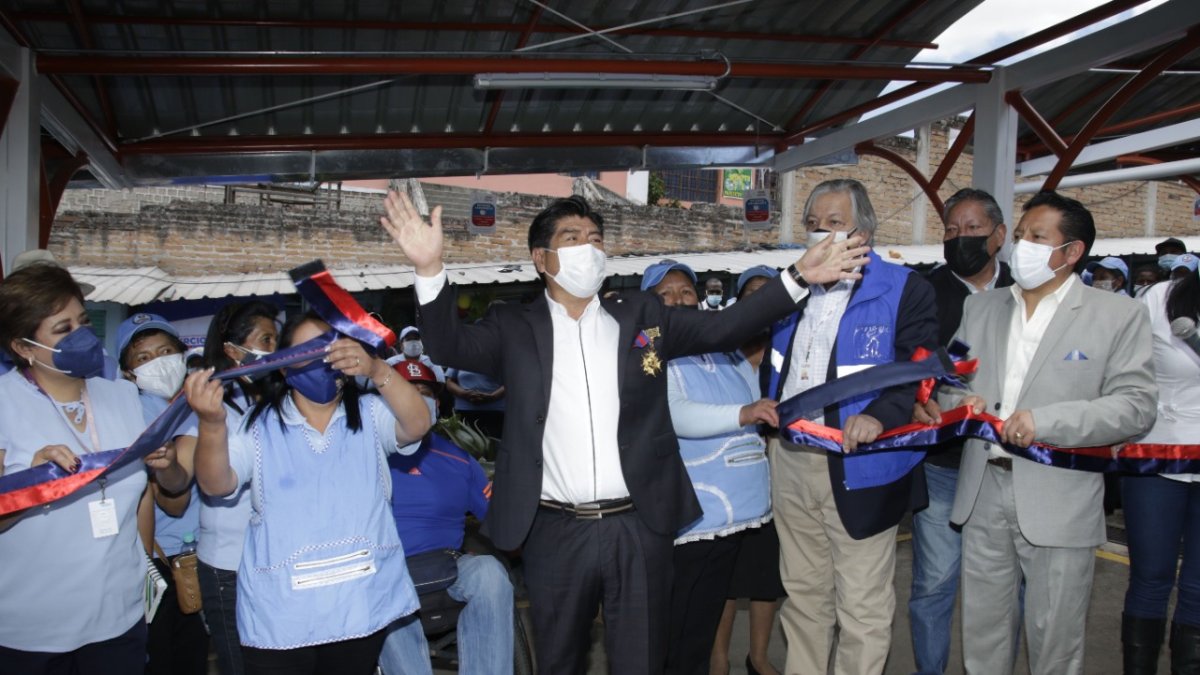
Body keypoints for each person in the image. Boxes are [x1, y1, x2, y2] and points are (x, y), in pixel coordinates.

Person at [379, 191, 868, 674]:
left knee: (642, 659)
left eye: (595, 238)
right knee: (560, 659)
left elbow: (725, 327)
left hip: (639, 525)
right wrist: (428, 268)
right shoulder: (512, 326)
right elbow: (447, 343)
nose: (587, 248)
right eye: (571, 238)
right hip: (554, 529)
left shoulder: (641, 316)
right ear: (540, 258)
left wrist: (799, 276)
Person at [928, 191, 1157, 675]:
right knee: (983, 631)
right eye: (1021, 235)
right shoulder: (982, 309)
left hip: (1060, 493)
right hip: (983, 488)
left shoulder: (1117, 315)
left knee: (1055, 635)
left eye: (1037, 237)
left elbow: (1134, 407)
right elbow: (950, 381)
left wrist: (1045, 422)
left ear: (1071, 252)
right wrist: (957, 402)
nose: (1022, 246)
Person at [183, 311, 433, 674]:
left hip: (358, 605)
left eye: (329, 349)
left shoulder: (370, 414)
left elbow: (418, 423)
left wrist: (378, 370)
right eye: (307, 352)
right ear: (283, 367)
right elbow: (215, 483)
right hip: (283, 615)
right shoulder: (257, 428)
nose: (322, 361)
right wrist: (210, 423)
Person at [767, 178, 938, 675]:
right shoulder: (793, 287)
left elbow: (917, 369)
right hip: (792, 460)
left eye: (835, 224)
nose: (822, 234)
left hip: (862, 465)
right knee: (803, 594)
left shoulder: (905, 289)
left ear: (863, 230)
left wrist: (880, 416)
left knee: (861, 605)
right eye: (813, 224)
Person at [0, 263, 185, 675]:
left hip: (117, 619)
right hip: (32, 628)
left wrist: (168, 467)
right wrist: (32, 480)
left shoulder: (121, 395)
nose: (81, 335)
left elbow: (149, 493)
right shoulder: (4, 403)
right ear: (24, 346)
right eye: (62, 329)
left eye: (83, 321)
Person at [641, 260, 776, 675]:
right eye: (666, 294)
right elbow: (677, 414)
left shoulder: (722, 345)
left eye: (686, 292)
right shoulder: (646, 348)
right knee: (674, 627)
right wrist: (744, 413)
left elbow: (756, 404)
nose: (679, 300)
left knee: (702, 624)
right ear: (649, 304)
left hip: (737, 510)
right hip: (692, 512)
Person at [911, 187, 1013, 675]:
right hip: (945, 464)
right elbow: (903, 365)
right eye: (952, 230)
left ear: (999, 235)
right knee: (934, 582)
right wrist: (916, 397)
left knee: (1006, 588)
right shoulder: (922, 292)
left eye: (972, 229)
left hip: (1010, 465)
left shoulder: (1026, 292)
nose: (961, 238)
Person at [378, 359, 514, 675]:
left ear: (437, 403)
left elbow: (498, 524)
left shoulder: (459, 459)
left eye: (424, 392)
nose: (415, 398)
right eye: (405, 391)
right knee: (378, 589)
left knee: (490, 572)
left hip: (447, 565)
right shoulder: (365, 452)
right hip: (386, 569)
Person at [116, 312, 210, 675]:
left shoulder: (194, 406)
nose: (159, 362)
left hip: (196, 559)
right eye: (143, 357)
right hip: (155, 565)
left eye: (166, 350)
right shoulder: (131, 414)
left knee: (191, 657)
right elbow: (169, 494)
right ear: (128, 372)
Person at [1121, 254, 1200, 675]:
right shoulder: (1159, 299)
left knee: (1199, 589)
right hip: (1157, 457)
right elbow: (1125, 369)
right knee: (1151, 578)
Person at [197, 300, 281, 675]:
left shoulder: (271, 398)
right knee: (242, 665)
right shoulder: (206, 405)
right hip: (230, 564)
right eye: (266, 339)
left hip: (273, 558)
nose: (275, 349)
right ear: (232, 350)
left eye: (277, 339)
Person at [711, 265, 787, 675]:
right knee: (725, 577)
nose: (762, 303)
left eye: (769, 294)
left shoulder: (787, 353)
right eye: (752, 295)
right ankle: (718, 659)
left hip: (776, 478)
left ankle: (758, 658)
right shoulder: (720, 354)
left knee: (765, 575)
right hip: (728, 481)